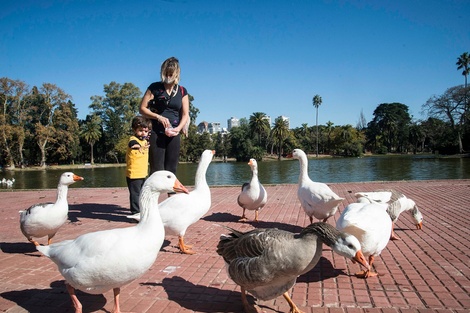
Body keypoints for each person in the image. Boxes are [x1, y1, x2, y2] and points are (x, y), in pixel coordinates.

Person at [139, 56, 190, 177]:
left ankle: (171, 195)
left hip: (174, 133)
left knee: (171, 170)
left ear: (176, 74)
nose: (168, 76)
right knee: (157, 170)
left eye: (171, 73)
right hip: (156, 132)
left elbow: (185, 114)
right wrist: (158, 117)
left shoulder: (182, 91)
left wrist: (178, 128)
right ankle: (153, 195)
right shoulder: (154, 88)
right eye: (166, 73)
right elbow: (142, 109)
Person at [126, 116, 151, 214]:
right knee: (135, 194)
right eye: (140, 130)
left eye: (146, 131)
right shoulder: (132, 139)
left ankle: (143, 210)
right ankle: (135, 213)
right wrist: (138, 146)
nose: (143, 133)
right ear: (134, 130)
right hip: (134, 174)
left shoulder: (145, 141)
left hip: (143, 173)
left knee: (143, 193)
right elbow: (133, 144)